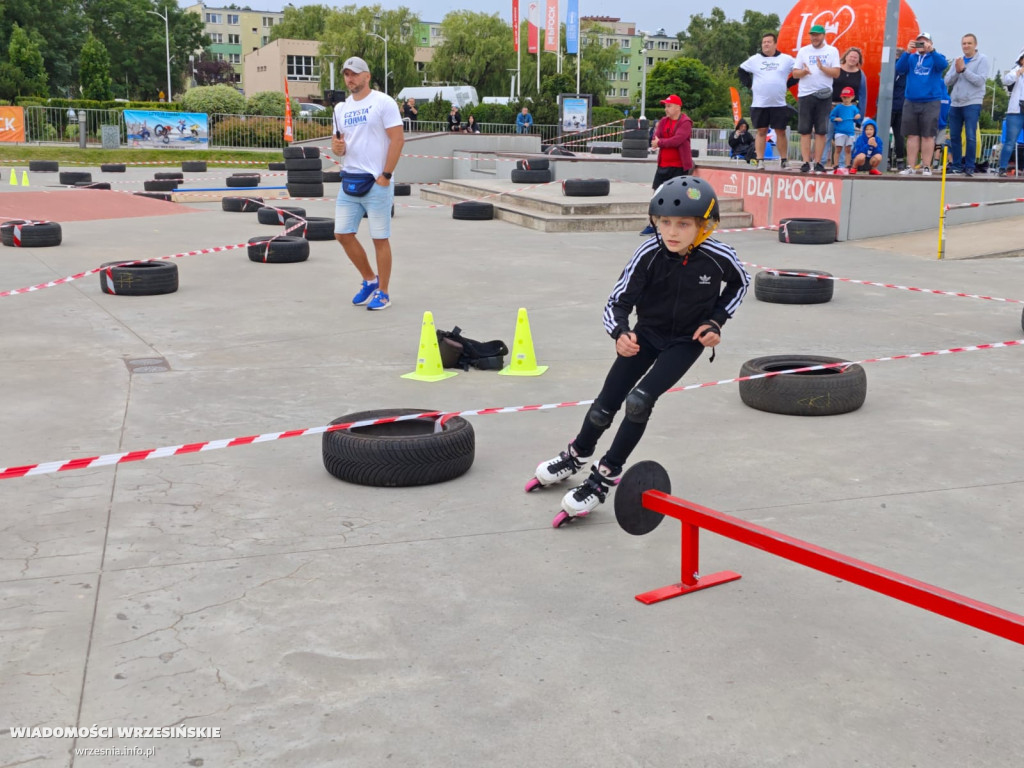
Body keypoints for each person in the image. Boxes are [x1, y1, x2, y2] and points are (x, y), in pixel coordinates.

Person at [528, 176, 750, 527]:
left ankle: (605, 474)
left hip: (685, 342)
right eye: (664, 223)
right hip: (645, 334)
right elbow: (617, 302)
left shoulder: (719, 256)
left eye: (683, 224)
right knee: (605, 405)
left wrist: (716, 321)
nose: (672, 232)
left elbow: (740, 284)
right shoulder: (648, 253)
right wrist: (619, 332)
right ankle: (576, 454)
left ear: (704, 226)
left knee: (639, 402)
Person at [331, 56, 404, 312]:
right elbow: (338, 145)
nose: (350, 78)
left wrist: (385, 174)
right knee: (342, 233)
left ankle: (384, 292)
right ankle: (370, 280)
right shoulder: (340, 109)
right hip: (349, 179)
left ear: (367, 76)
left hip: (376, 182)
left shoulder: (383, 102)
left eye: (355, 73)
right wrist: (337, 148)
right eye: (346, 74)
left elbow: (397, 140)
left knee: (379, 238)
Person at [737, 31, 796, 169]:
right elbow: (741, 70)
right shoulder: (754, 59)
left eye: (769, 42)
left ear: (775, 44)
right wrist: (750, 85)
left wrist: (789, 84)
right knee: (761, 131)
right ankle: (760, 160)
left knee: (780, 131)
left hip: (779, 103)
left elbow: (799, 70)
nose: (766, 45)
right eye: (764, 42)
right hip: (760, 103)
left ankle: (784, 160)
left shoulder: (786, 59)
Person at [638, 94, 693, 236]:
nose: (666, 109)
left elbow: (677, 140)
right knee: (656, 195)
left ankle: (678, 226)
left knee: (677, 197)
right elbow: (656, 137)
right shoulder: (663, 121)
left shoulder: (685, 122)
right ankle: (652, 224)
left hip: (679, 166)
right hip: (663, 165)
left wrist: (661, 142)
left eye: (669, 106)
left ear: (677, 107)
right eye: (665, 106)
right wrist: (660, 141)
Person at [896, 32, 948, 176]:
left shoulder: (937, 57)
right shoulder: (911, 58)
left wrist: (932, 51)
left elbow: (943, 65)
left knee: (928, 135)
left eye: (924, 41)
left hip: (931, 101)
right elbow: (900, 68)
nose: (921, 44)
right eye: (919, 41)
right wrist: (907, 51)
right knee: (912, 135)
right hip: (911, 100)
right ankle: (910, 166)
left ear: (930, 43)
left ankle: (926, 166)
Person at [792, 23, 841, 173]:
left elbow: (836, 73)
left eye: (817, 35)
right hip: (806, 94)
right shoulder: (804, 51)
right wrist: (804, 72)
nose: (814, 37)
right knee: (805, 130)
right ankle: (806, 161)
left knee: (821, 130)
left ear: (823, 36)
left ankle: (818, 161)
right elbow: (795, 73)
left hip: (824, 94)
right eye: (812, 35)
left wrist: (822, 68)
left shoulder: (832, 51)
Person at [944, 34, 990, 176]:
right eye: (964, 43)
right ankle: (957, 165)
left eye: (969, 43)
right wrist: (958, 71)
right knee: (954, 136)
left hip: (972, 102)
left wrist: (964, 70)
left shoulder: (982, 59)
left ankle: (970, 165)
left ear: (975, 44)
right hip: (956, 103)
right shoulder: (958, 60)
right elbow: (947, 81)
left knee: (970, 136)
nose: (966, 46)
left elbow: (980, 81)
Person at [822, 46, 867, 168]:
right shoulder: (836, 70)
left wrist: (860, 117)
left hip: (849, 110)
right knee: (827, 134)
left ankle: (841, 165)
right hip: (833, 107)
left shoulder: (860, 75)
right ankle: (821, 162)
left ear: (859, 60)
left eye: (855, 57)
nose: (852, 59)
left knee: (843, 137)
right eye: (851, 56)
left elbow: (863, 95)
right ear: (845, 56)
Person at [997, 48, 1024, 177]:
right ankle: (1002, 168)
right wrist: (1019, 72)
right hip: (1016, 111)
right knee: (1010, 141)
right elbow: (1006, 80)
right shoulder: (1016, 70)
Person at [829, 87, 861, 171]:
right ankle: (836, 164)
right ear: (841, 97)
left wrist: (857, 116)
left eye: (848, 97)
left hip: (850, 132)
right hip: (839, 131)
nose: (846, 99)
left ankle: (847, 165)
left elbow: (858, 115)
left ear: (852, 97)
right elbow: (831, 116)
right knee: (838, 148)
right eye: (844, 97)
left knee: (848, 149)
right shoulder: (838, 107)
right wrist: (836, 119)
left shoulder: (854, 108)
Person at [891, 47, 908, 170]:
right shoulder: (906, 68)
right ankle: (900, 161)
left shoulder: (897, 68)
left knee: (894, 134)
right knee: (899, 135)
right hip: (900, 104)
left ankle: (888, 159)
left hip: (895, 104)